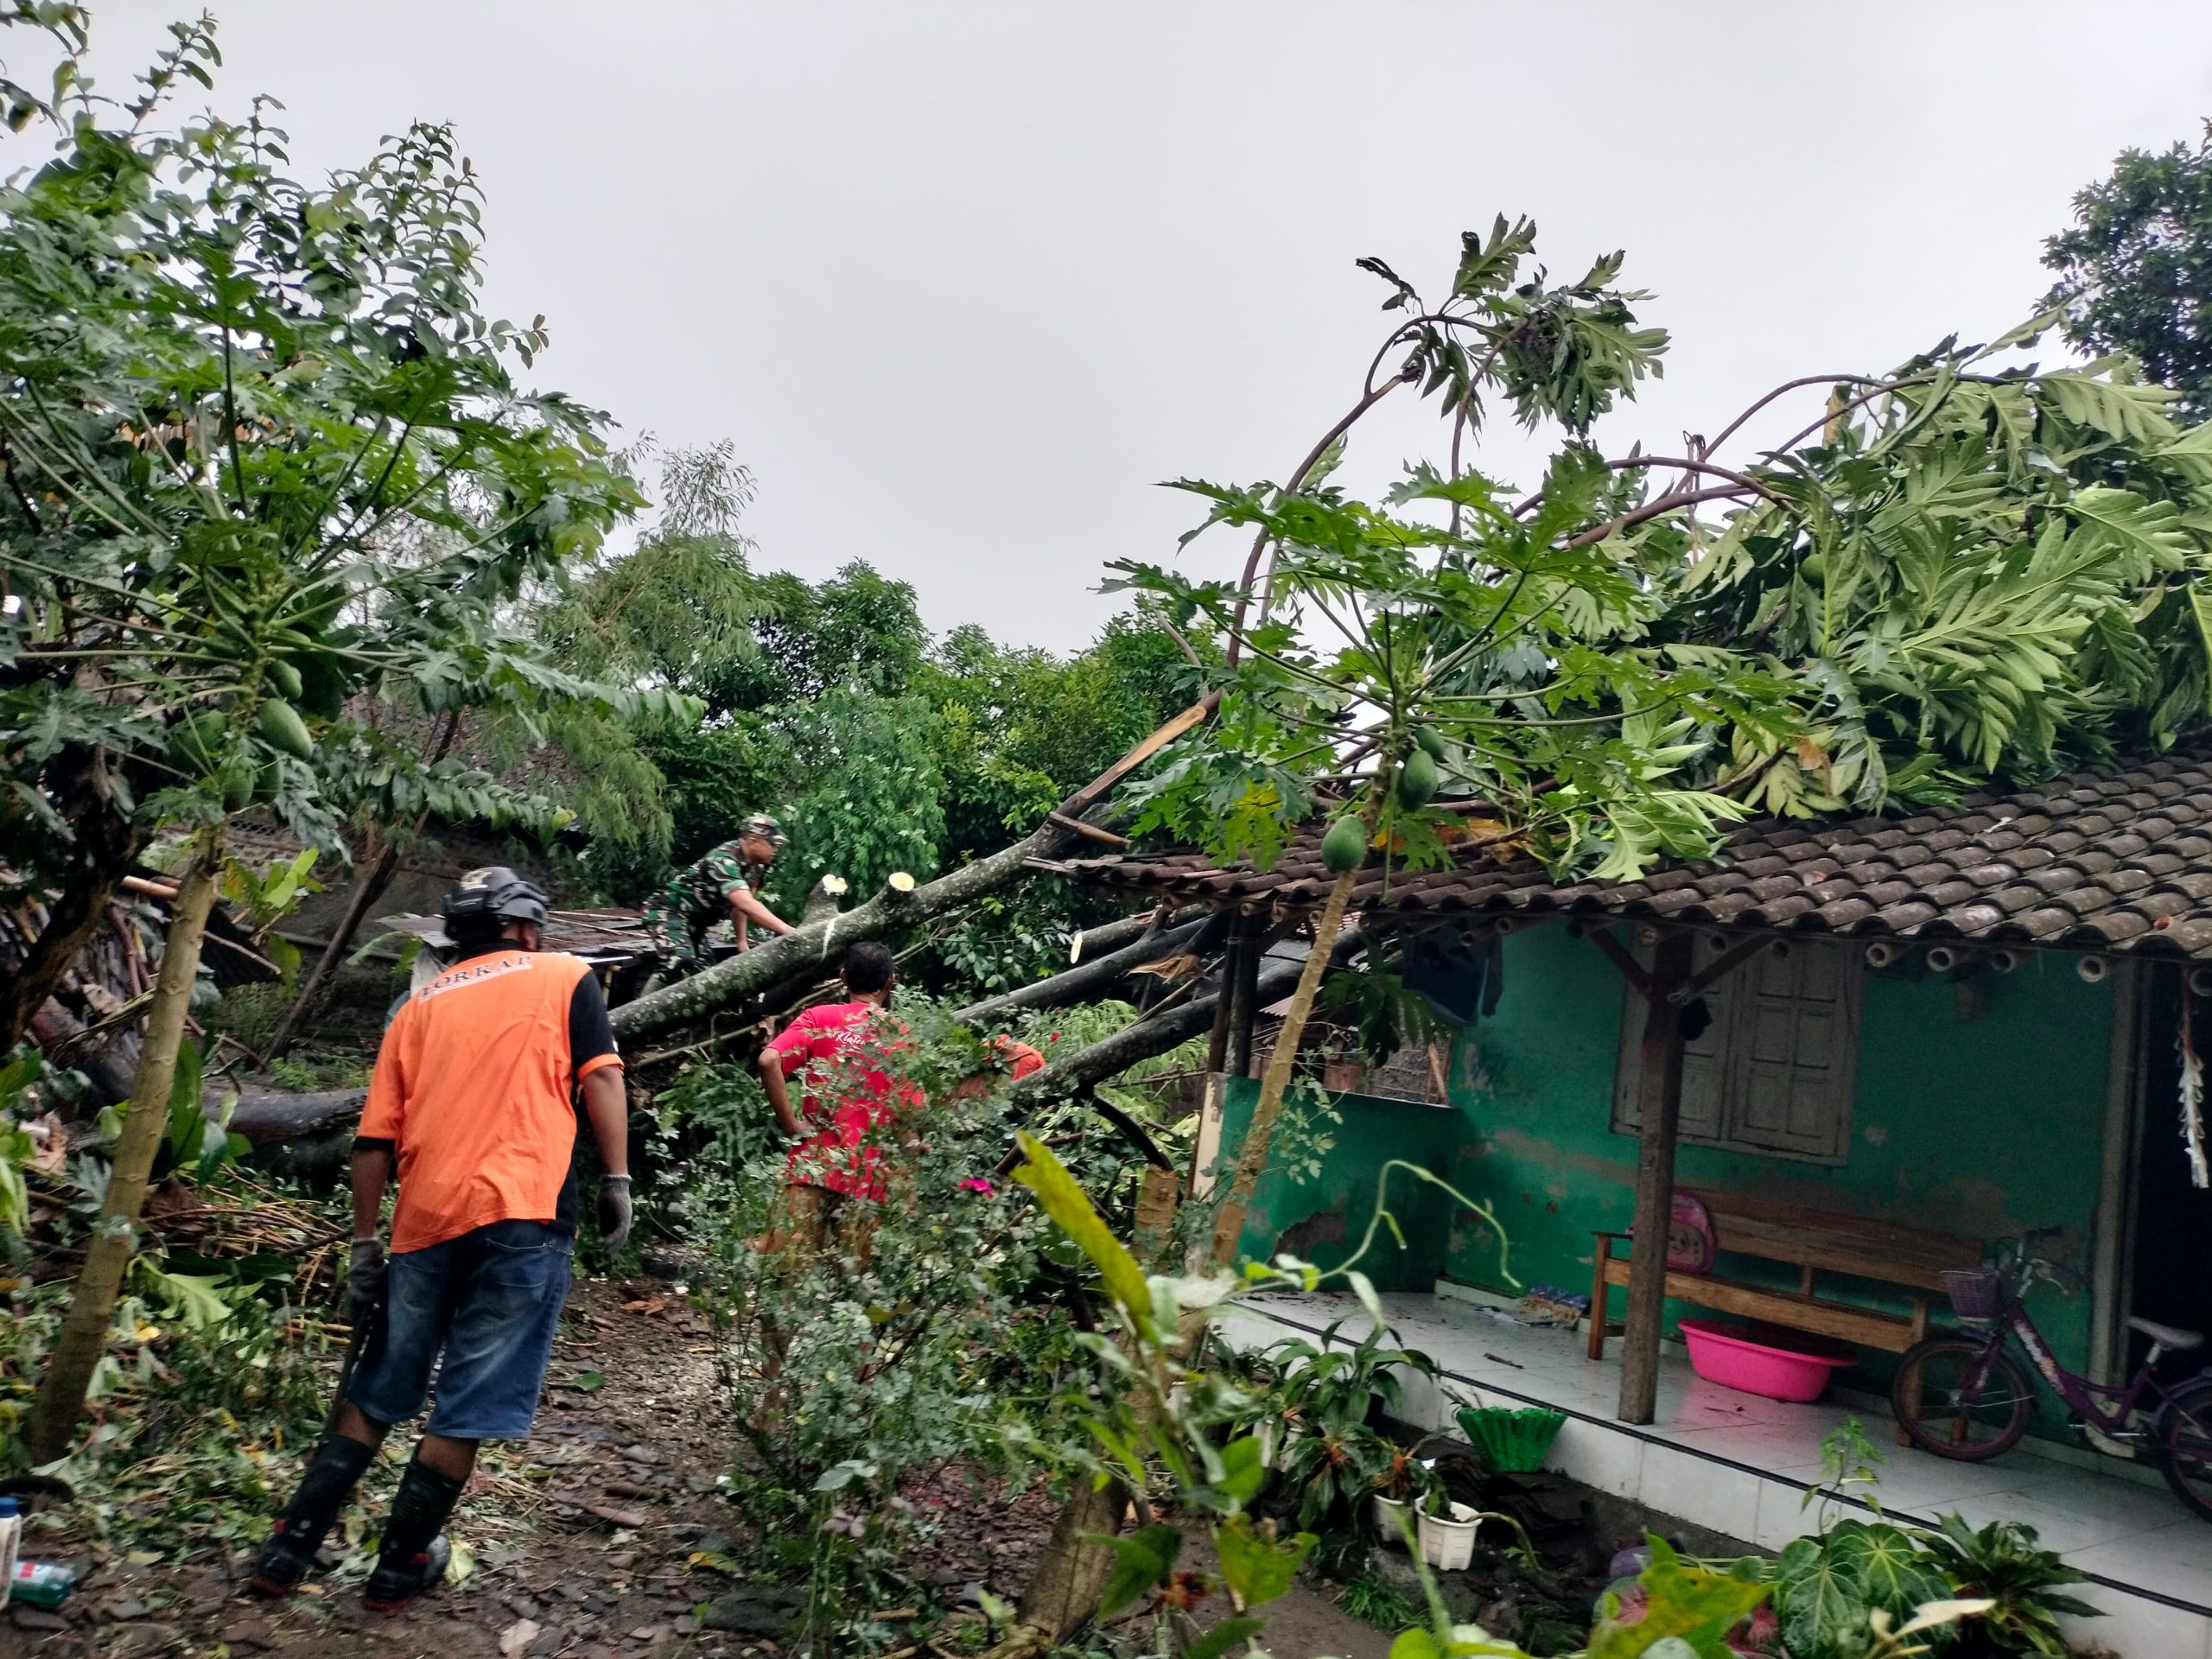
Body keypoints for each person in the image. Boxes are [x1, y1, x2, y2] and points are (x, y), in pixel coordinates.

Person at [250, 868, 632, 1612]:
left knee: (382, 1382)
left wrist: (365, 1244)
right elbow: (603, 1079)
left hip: (423, 1221)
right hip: (525, 1212)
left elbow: (373, 1141)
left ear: (459, 934)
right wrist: (617, 1180)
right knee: (471, 1400)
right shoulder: (564, 976)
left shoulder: (415, 1008)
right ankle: (397, 1567)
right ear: (525, 925)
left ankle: (288, 1549)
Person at [756, 942, 918, 1254]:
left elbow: (769, 1060)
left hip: (813, 1164)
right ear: (890, 981)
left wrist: (792, 1125)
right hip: (867, 1176)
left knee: (789, 1279)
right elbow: (906, 1115)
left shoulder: (819, 1017)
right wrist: (908, 1178)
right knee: (859, 1286)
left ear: (843, 978)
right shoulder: (900, 1034)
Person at [640, 814, 798, 971]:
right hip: (667, 911)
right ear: (753, 840)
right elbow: (746, 903)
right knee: (680, 960)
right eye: (772, 844)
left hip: (694, 923)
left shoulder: (756, 868)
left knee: (706, 975)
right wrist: (787, 931)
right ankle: (650, 997)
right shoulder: (724, 860)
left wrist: (741, 942)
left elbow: (740, 907)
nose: (775, 850)